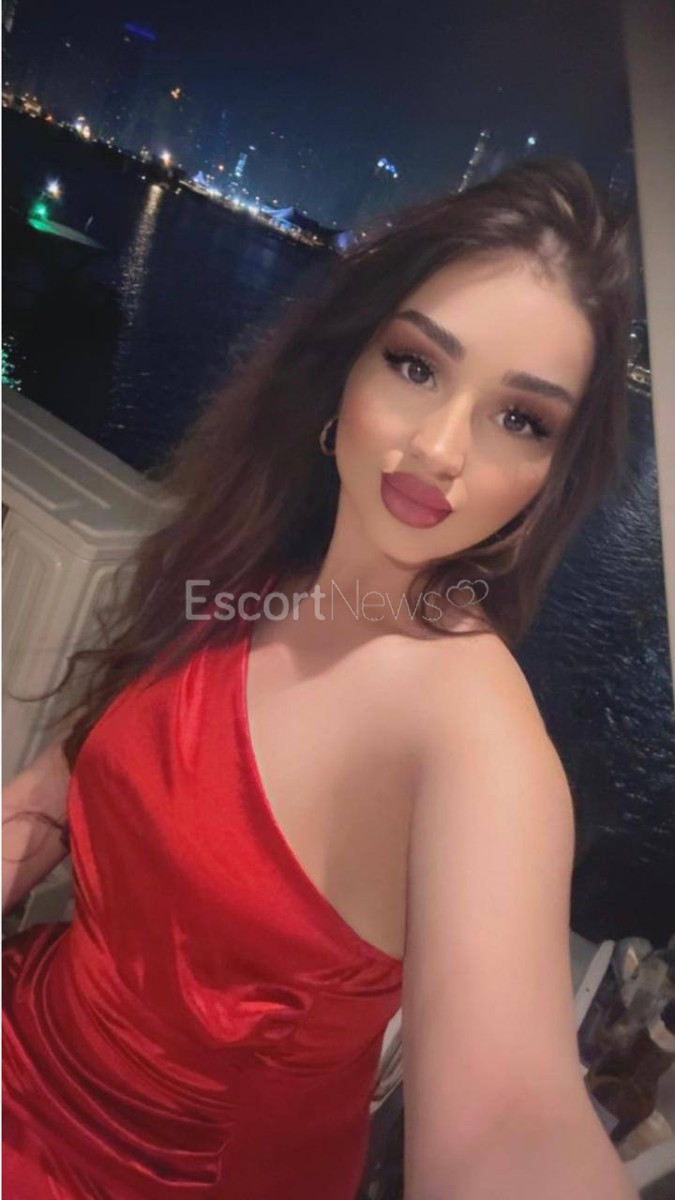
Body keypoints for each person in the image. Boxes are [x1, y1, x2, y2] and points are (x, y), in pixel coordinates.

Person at [2, 158, 640, 1199]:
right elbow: (109, 763)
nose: (439, 448)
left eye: (520, 419)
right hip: (29, 1037)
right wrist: (35, 811)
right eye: (417, 366)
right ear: (347, 365)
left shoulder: (475, 738)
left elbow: (508, 1121)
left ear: (550, 479)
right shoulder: (252, 569)